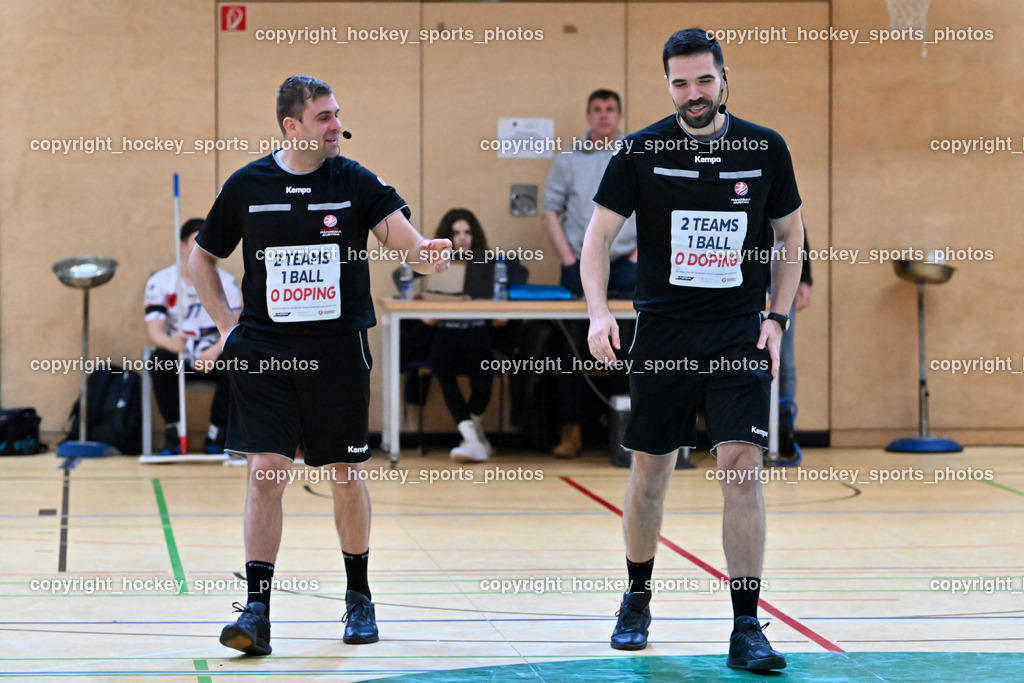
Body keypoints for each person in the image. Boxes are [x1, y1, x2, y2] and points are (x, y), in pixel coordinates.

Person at [189, 74, 451, 656]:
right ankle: (257, 610)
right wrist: (227, 328)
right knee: (265, 471)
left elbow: (408, 245)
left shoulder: (355, 181)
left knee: (344, 472)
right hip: (265, 353)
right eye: (324, 117)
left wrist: (428, 255)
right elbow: (201, 260)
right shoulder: (248, 185)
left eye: (337, 114)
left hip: (336, 354)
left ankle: (359, 596)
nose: (337, 126)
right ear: (292, 126)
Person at [581, 29, 804, 671]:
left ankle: (746, 625)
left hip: (737, 333)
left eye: (704, 79)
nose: (693, 93)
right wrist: (599, 312)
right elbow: (596, 239)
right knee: (651, 473)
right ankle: (636, 598)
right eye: (680, 83)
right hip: (664, 334)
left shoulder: (764, 148)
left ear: (724, 78)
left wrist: (778, 318)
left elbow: (791, 237)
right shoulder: (640, 151)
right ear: (668, 86)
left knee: (741, 467)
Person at [541, 89, 638, 457]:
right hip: (579, 265)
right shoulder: (569, 158)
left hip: (627, 266)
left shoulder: (635, 153)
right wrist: (568, 260)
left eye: (610, 109)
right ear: (588, 115)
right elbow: (550, 211)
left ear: (619, 115)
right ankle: (572, 432)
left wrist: (638, 256)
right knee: (571, 351)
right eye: (597, 109)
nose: (603, 115)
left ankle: (625, 432)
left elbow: (655, 209)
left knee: (626, 350)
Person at [143, 218, 241, 454]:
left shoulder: (226, 282)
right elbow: (154, 331)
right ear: (182, 246)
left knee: (238, 360)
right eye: (196, 241)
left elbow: (234, 327)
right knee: (159, 359)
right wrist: (170, 343)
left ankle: (218, 434)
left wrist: (214, 352)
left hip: (214, 349)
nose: (203, 247)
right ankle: (174, 433)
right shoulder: (161, 282)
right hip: (179, 352)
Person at [421, 209, 502, 463]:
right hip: (446, 333)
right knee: (441, 367)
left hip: (476, 331)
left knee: (484, 376)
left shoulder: (487, 265)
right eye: (456, 233)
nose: (462, 237)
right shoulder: (434, 265)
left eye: (467, 232)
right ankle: (473, 439)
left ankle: (472, 437)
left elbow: (501, 317)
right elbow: (426, 315)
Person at [774, 232, 813, 464]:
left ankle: (784, 431)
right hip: (745, 281)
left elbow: (797, 234)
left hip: (782, 282)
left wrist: (804, 279)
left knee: (784, 360)